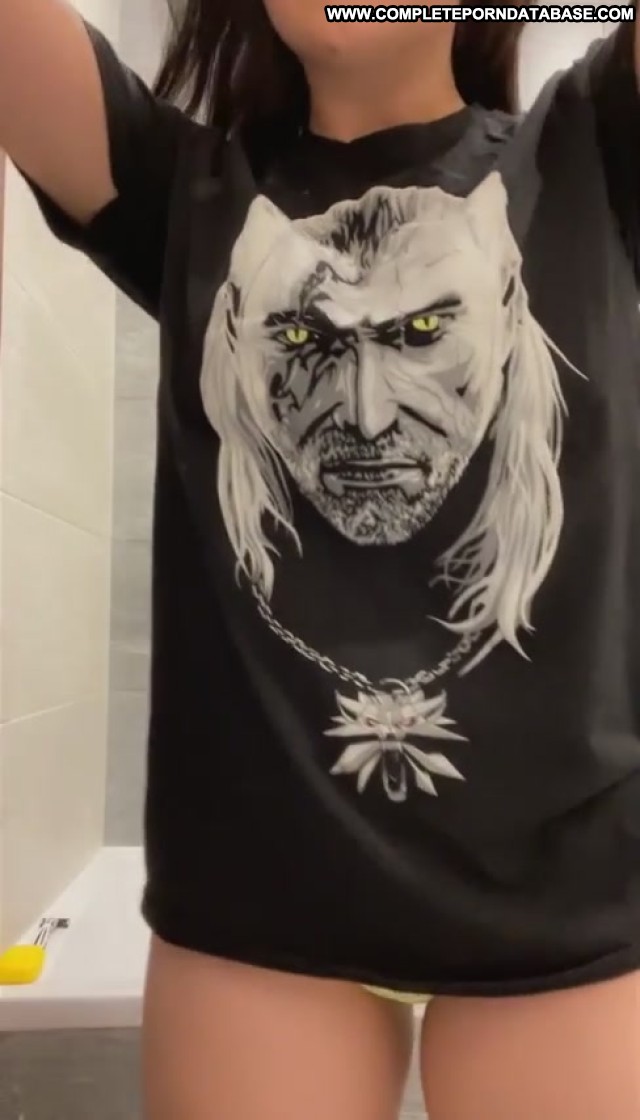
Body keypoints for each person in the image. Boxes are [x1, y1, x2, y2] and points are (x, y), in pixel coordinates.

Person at [2, 2, 640, 1117]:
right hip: (259, 915)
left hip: (562, 908)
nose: (367, 416)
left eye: (424, 335)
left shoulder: (589, 144)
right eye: (303, 339)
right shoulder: (187, 194)